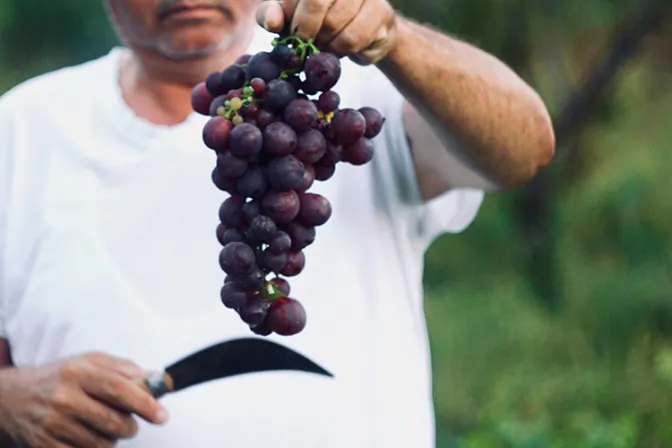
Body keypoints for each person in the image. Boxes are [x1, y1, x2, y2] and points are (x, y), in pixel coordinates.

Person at [0, 0, 554, 446]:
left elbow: (525, 147)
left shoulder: (356, 95)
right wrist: (8, 401)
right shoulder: (21, 130)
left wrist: (396, 40)